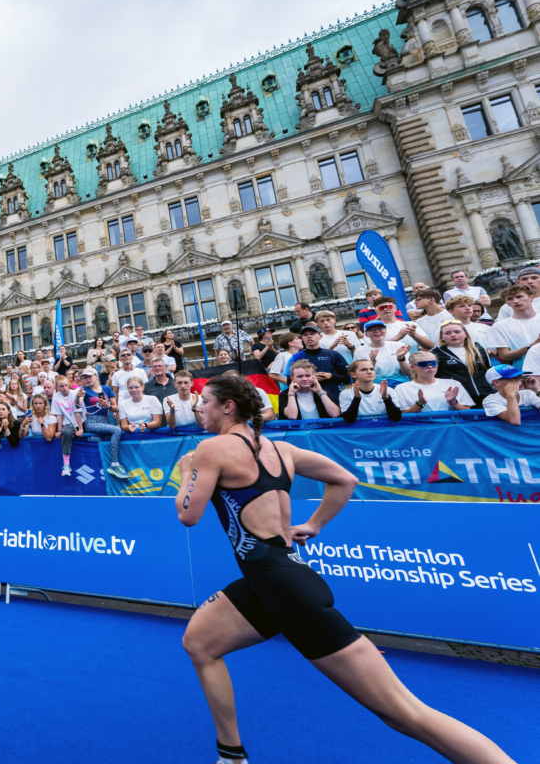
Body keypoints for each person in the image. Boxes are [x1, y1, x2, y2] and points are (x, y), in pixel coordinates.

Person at [174, 373, 517, 764]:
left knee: (405, 714)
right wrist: (314, 524)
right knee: (200, 643)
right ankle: (231, 755)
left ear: (228, 407)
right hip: (273, 581)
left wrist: (187, 471)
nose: (198, 407)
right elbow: (345, 479)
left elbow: (189, 514)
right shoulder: (280, 449)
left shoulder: (210, 449)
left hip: (287, 591)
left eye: (204, 400)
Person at [80, 367, 131, 480]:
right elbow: (77, 404)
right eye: (85, 377)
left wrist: (108, 406)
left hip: (104, 421)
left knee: (104, 444)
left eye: (90, 376)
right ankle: (114, 465)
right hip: (91, 422)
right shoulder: (83, 390)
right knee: (116, 430)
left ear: (96, 376)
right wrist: (77, 399)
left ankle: (113, 466)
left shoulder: (107, 389)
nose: (88, 379)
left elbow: (117, 409)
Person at [389, 351, 474, 413]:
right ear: (412, 367)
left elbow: (467, 411)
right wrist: (420, 404)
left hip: (450, 428)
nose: (430, 367)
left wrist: (453, 402)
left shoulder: (453, 384)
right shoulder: (402, 388)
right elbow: (403, 415)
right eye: (424, 364)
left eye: (433, 363)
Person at [433, 319, 492, 405]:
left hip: (486, 395)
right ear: (442, 336)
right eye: (447, 333)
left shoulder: (478, 349)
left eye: (457, 332)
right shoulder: (436, 353)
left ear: (465, 333)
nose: (453, 335)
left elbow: (488, 371)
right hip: (458, 398)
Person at [287, 324, 350, 400]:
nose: (309, 336)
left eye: (312, 334)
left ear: (320, 337)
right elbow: (289, 382)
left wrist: (330, 375)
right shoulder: (295, 357)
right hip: (307, 398)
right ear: (302, 339)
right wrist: (310, 378)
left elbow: (347, 378)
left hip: (332, 395)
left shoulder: (333, 354)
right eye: (305, 335)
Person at [483, 284, 540, 369]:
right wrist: (531, 346)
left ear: (532, 297)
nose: (516, 301)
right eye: (510, 299)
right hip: (524, 373)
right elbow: (504, 356)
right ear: (506, 303)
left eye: (519, 296)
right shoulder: (499, 326)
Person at [353, 319, 412, 385]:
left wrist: (400, 358)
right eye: (372, 329)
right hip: (375, 384)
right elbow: (361, 376)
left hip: (400, 382)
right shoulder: (360, 351)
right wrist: (372, 363)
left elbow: (408, 372)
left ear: (385, 331)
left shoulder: (399, 345)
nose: (377, 331)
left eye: (380, 328)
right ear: (366, 334)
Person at [50, 376, 82, 476]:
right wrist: (59, 430)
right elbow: (59, 415)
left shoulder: (74, 394)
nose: (64, 388)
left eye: (65, 385)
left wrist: (80, 428)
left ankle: (67, 464)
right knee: (66, 432)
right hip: (67, 424)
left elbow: (77, 412)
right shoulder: (56, 396)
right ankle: (66, 465)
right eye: (61, 386)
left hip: (78, 421)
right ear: (56, 387)